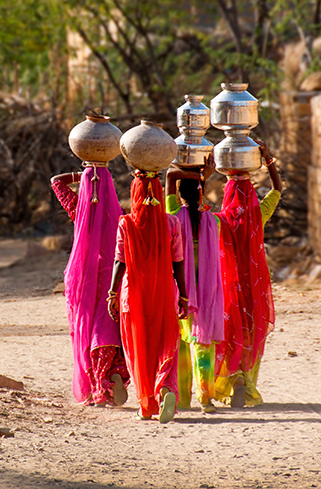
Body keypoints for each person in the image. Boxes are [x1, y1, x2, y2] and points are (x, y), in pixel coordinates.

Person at [108, 170, 189, 423]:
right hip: (164, 293)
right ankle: (165, 388)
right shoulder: (171, 223)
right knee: (165, 343)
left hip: (133, 296)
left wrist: (112, 292)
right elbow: (178, 263)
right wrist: (184, 297)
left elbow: (119, 261)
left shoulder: (126, 223)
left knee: (138, 347)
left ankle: (146, 405)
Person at [51, 166, 129, 407]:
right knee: (109, 327)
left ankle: (98, 384)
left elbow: (56, 181)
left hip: (84, 279)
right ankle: (113, 371)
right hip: (112, 276)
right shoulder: (121, 215)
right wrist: (102, 172)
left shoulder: (79, 210)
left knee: (87, 330)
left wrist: (84, 174)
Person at [214, 139, 283, 408]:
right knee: (251, 334)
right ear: (252, 195)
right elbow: (277, 189)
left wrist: (201, 175)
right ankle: (246, 381)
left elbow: (194, 210)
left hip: (229, 288)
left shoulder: (220, 220)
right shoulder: (259, 214)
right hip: (255, 287)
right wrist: (268, 161)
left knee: (231, 335)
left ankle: (233, 381)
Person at [165, 155, 224, 414]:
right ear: (201, 196)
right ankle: (206, 398)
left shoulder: (174, 216)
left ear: (180, 195)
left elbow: (169, 176)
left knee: (181, 347)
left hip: (183, 293)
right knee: (204, 348)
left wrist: (199, 175)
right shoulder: (215, 222)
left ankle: (182, 399)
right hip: (208, 293)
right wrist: (205, 176)